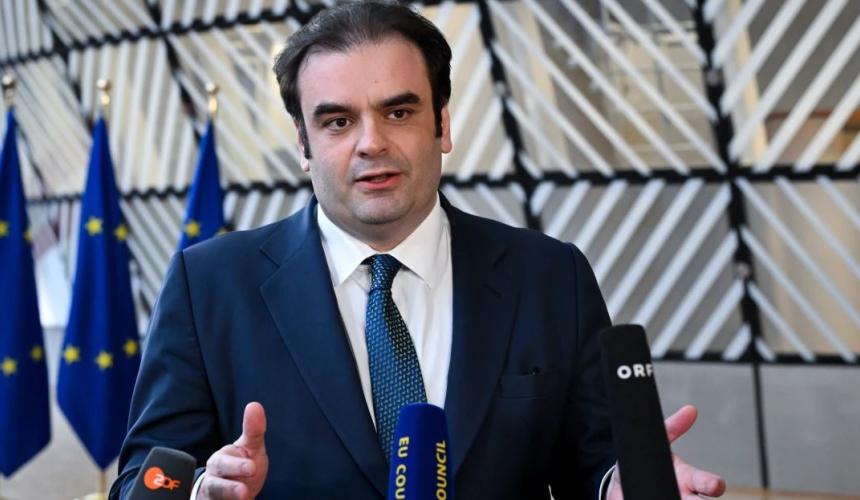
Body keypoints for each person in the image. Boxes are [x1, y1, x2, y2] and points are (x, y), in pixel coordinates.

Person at [111, 2, 726, 499]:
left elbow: (593, 461)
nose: (371, 143)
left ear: (443, 125)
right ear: (303, 145)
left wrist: (619, 484)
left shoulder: (549, 275)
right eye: (337, 122)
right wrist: (201, 491)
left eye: (398, 111)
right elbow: (142, 481)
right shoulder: (209, 285)